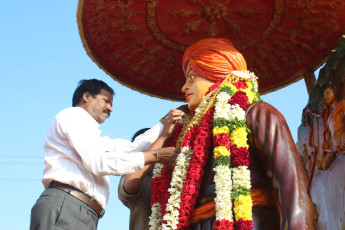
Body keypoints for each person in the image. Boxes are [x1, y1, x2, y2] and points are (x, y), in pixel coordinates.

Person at [119, 38, 314, 230]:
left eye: (192, 76)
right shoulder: (186, 133)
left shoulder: (257, 113)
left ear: (215, 73)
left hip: (249, 221)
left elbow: (291, 190)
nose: (184, 87)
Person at [30, 79, 185, 230]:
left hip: (83, 210)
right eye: (106, 101)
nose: (110, 108)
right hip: (67, 206)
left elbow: (132, 148)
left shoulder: (94, 138)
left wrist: (166, 122)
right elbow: (99, 162)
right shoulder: (73, 116)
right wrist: (154, 156)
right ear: (86, 97)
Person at [319, 85, 345, 169]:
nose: (325, 97)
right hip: (335, 148)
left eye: (328, 93)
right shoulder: (329, 118)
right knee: (323, 165)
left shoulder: (342, 104)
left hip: (343, 141)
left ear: (335, 92)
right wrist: (326, 145)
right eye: (324, 95)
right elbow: (328, 138)